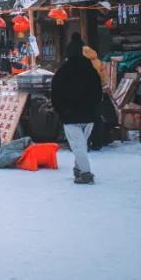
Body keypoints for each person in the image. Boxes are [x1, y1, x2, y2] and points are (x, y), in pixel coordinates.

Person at [50, 34, 103, 185]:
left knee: (78, 146)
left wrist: (61, 110)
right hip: (89, 114)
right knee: (81, 145)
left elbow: (55, 94)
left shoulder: (62, 72)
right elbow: (98, 93)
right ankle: (78, 169)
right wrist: (94, 108)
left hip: (70, 116)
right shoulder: (91, 71)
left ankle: (86, 173)